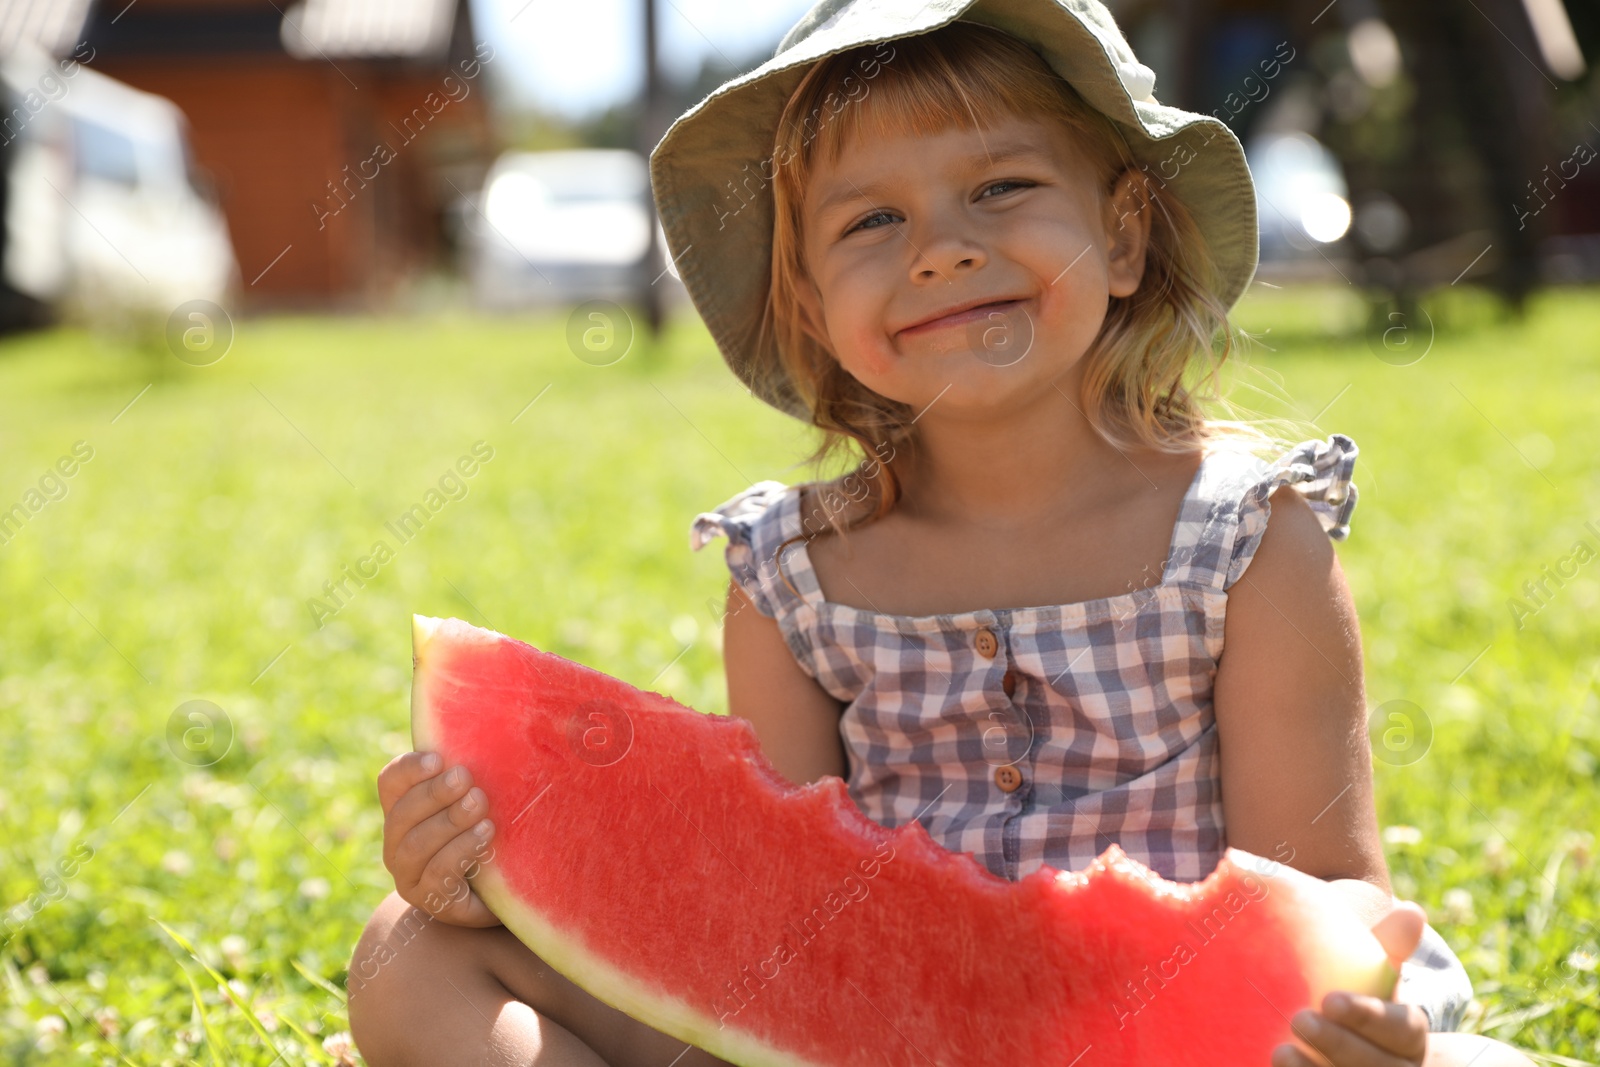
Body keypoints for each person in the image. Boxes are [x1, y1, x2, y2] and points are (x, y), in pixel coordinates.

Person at [349, 2, 1537, 1065]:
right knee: (410, 956)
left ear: (1123, 237)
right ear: (813, 305)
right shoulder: (792, 574)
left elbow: (1327, 895)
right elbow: (767, 899)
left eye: (1002, 188)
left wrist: (1357, 1028)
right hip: (871, 1026)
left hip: (1171, 1031)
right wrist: (481, 870)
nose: (941, 246)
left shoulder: (1241, 539)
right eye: (871, 219)